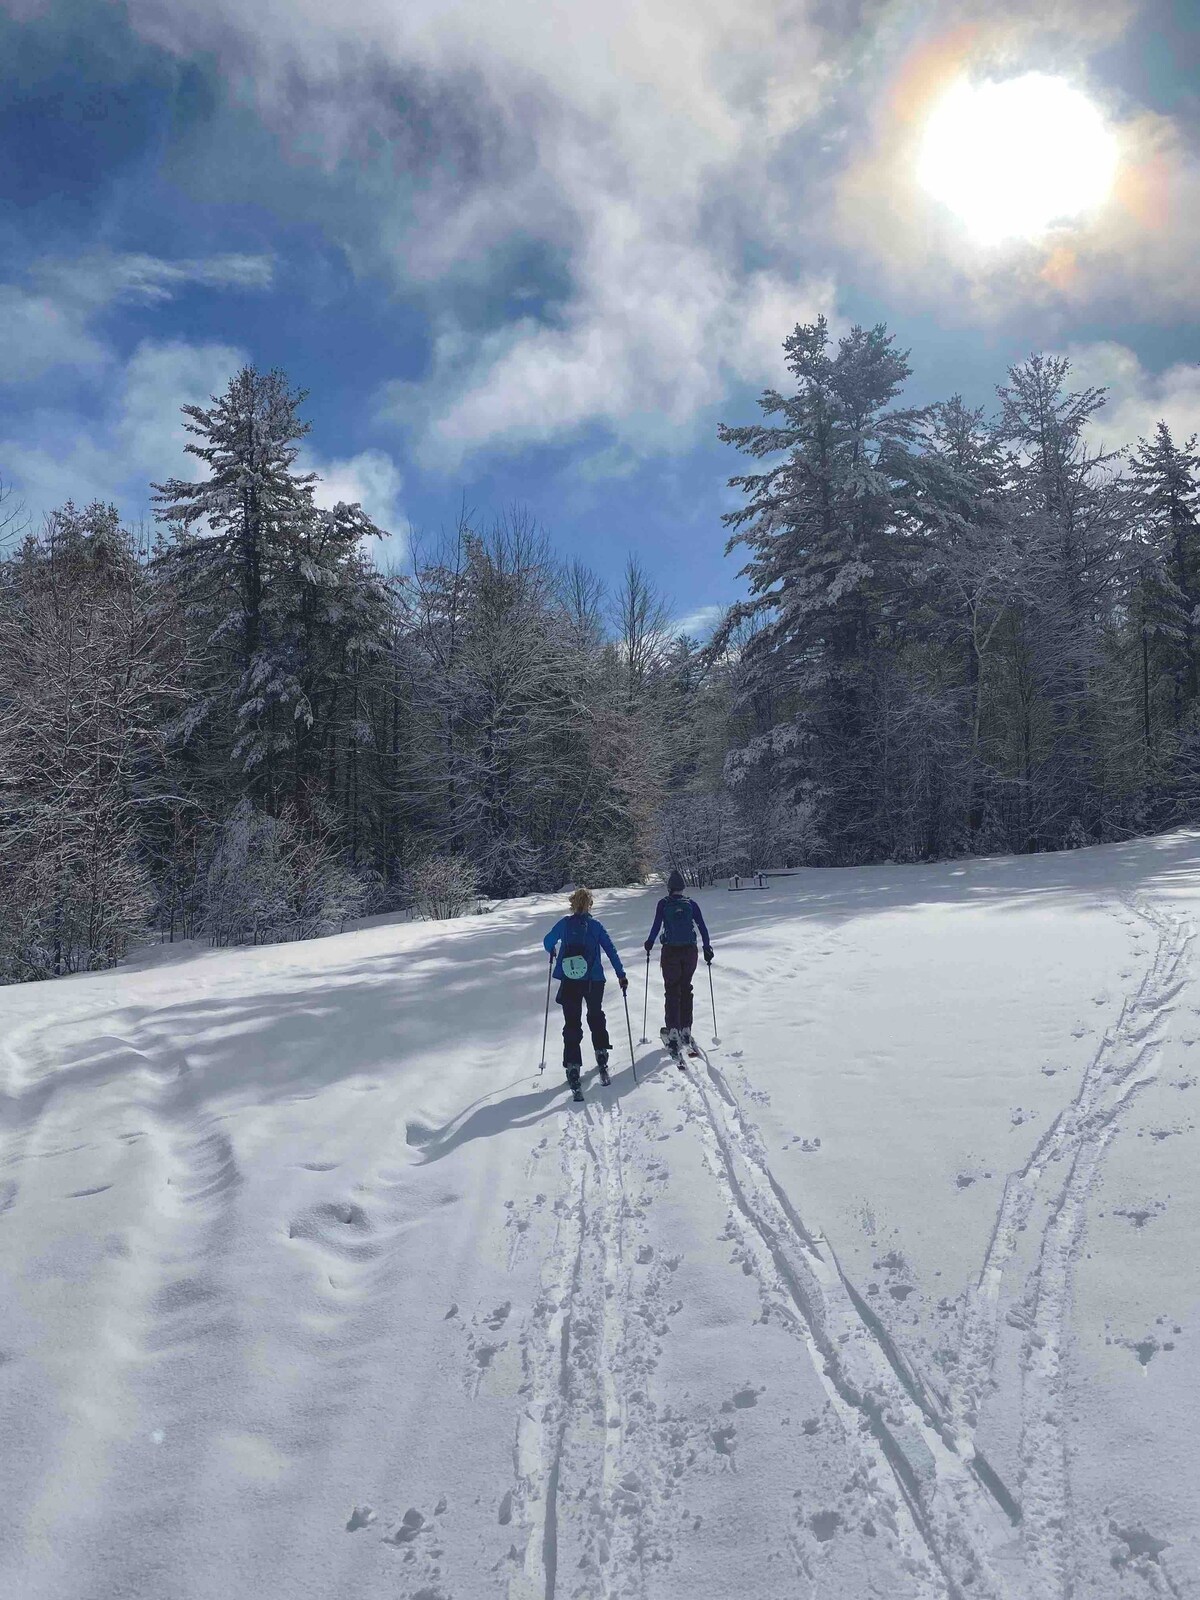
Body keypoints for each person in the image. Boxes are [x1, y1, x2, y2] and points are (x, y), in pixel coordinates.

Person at [543, 887, 628, 1101]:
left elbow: (547, 941)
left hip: (570, 981)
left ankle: (573, 1065)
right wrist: (621, 974)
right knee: (595, 1015)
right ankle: (601, 1053)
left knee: (572, 1023)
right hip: (594, 980)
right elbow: (611, 949)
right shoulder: (596, 926)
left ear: (573, 904)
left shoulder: (564, 924)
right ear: (590, 905)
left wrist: (552, 950)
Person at [644, 870, 713, 1059]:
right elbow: (702, 927)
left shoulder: (664, 904)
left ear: (669, 888)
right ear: (682, 888)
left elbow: (657, 925)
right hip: (690, 951)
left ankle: (673, 1029)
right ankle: (686, 1028)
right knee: (686, 988)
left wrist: (650, 942)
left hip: (671, 952)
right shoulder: (691, 904)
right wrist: (707, 947)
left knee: (671, 989)